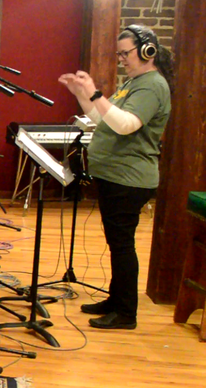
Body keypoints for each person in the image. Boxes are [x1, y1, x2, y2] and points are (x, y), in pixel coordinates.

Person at [59, 24, 173, 330]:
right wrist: (82, 95)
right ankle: (115, 300)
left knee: (122, 244)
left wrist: (94, 91)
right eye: (119, 53)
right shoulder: (134, 83)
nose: (121, 58)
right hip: (116, 177)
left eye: (126, 53)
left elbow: (126, 126)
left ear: (148, 51)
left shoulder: (151, 85)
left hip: (129, 178)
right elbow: (103, 119)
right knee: (117, 242)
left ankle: (125, 313)